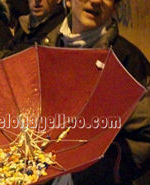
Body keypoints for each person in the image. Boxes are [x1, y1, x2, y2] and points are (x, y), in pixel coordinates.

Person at [45, 0, 150, 184]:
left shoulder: (127, 61)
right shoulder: (47, 48)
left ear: (115, 7)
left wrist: (105, 168)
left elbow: (144, 137)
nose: (95, 1)